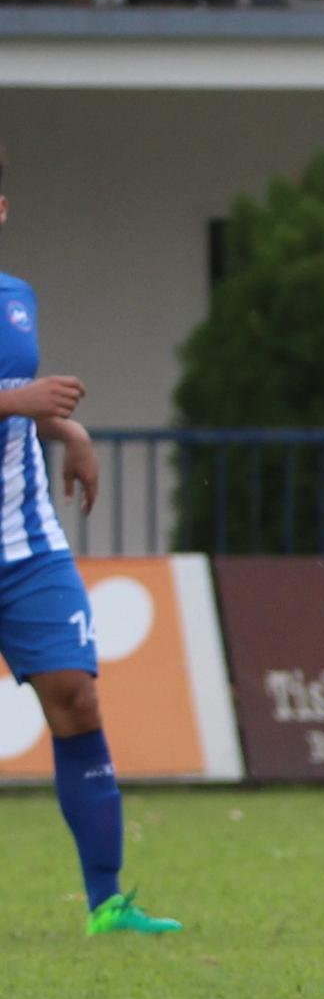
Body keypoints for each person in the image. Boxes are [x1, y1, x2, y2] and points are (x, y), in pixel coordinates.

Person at [0, 150, 177, 936]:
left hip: (25, 543)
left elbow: (20, 402)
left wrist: (63, 427)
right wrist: (19, 398)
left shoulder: (16, 298)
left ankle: (106, 902)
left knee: (77, 699)